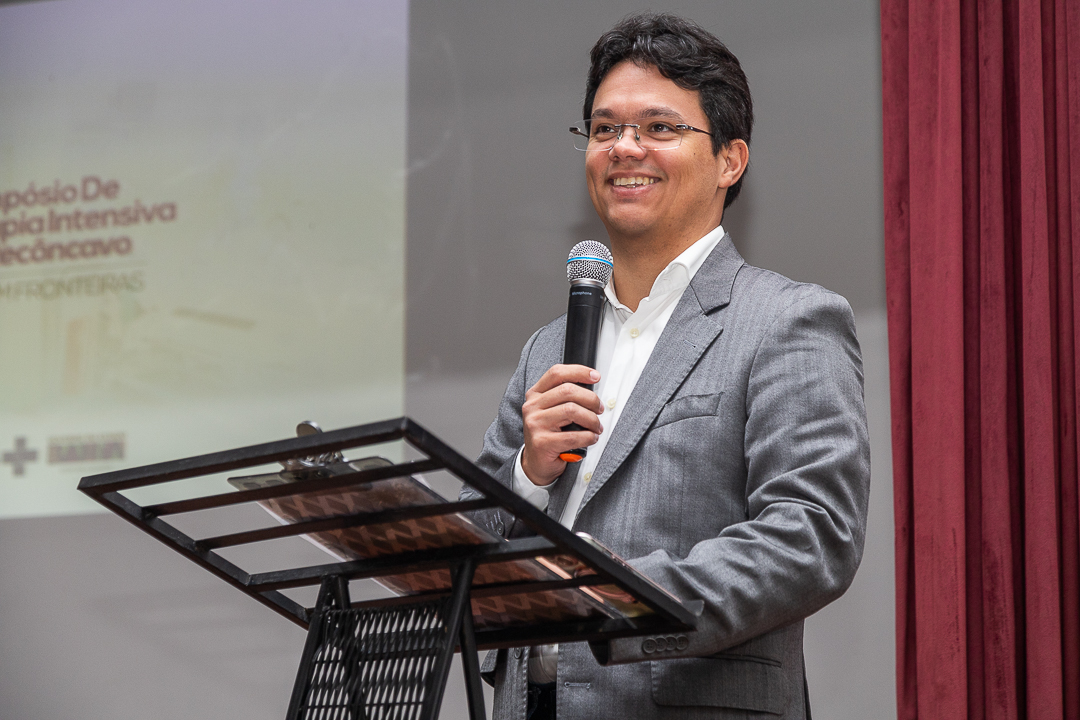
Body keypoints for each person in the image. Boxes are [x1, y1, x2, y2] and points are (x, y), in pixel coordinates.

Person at [461, 11, 870, 719]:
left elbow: (811, 534)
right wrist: (528, 474)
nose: (624, 148)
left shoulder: (788, 320)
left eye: (658, 127)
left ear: (730, 160)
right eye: (604, 129)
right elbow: (468, 551)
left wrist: (621, 599)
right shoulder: (545, 349)